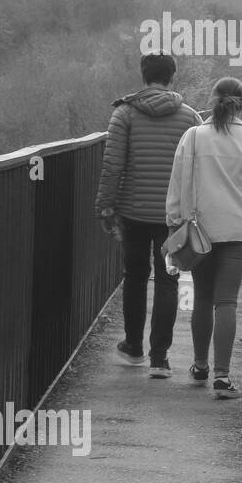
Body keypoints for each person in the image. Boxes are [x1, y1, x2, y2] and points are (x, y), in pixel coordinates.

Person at [95, 52, 202, 377]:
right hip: (173, 216)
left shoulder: (125, 114)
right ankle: (160, 359)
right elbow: (198, 168)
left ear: (144, 76)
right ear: (172, 77)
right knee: (168, 281)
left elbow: (113, 164)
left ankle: (133, 347)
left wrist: (105, 205)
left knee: (136, 277)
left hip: (133, 211)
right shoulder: (190, 118)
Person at [167, 78, 242, 400]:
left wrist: (174, 224)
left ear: (212, 101)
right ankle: (223, 377)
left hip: (200, 231)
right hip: (238, 231)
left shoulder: (193, 137)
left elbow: (177, 185)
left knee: (201, 297)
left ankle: (199, 366)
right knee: (226, 301)